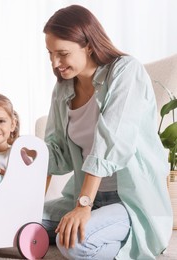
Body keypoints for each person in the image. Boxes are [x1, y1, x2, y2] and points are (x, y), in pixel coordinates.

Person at [41, 5, 173, 259]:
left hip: (129, 201)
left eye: (63, 53)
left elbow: (111, 140)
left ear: (88, 45)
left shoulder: (125, 71)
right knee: (25, 222)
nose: (55, 63)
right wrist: (23, 156)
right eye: (50, 54)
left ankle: (137, 238)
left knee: (72, 244)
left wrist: (83, 205)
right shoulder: (63, 89)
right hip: (85, 195)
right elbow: (58, 153)